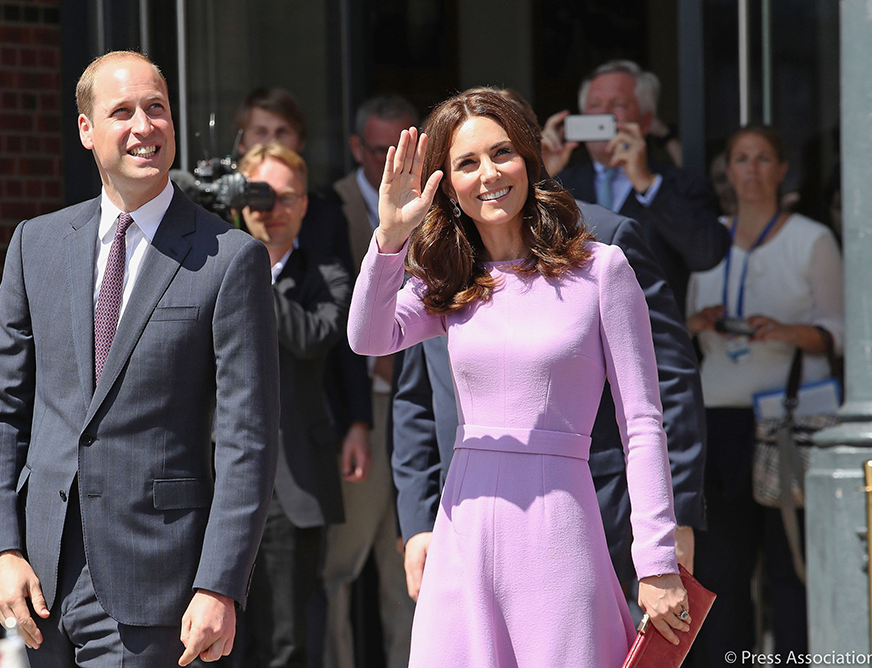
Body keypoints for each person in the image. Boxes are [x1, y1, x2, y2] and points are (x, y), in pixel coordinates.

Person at [348, 89, 688, 666]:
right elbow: (368, 337)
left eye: (502, 152)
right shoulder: (446, 282)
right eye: (466, 163)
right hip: (466, 526)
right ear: (447, 186)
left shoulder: (602, 270)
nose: (489, 174)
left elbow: (642, 422)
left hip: (562, 530)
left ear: (530, 159)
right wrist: (389, 239)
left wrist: (656, 559)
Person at [0, 51, 281, 667]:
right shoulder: (36, 243)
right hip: (41, 577)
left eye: (157, 108)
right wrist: (2, 548)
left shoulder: (229, 258)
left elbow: (248, 438)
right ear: (87, 131)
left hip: (158, 579)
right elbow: (0, 408)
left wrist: (220, 581)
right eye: (122, 112)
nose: (144, 126)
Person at [686, 126, 844, 668]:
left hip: (788, 420)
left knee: (789, 565)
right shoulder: (707, 237)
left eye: (763, 159)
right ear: (726, 171)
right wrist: (698, 323)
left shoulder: (811, 239)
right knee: (722, 571)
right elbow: (674, 328)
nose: (751, 170)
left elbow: (838, 334)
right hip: (718, 418)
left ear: (782, 170)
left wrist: (784, 331)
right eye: (740, 159)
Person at [227, 141, 349, 667]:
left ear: (303, 206)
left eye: (285, 198)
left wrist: (249, 268)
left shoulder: (327, 274)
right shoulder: (207, 269)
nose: (271, 210)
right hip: (217, 480)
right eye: (259, 195)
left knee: (287, 639)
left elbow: (312, 337)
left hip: (291, 480)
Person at [326, 94, 419, 668]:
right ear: (358, 147)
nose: (392, 159)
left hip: (419, 411)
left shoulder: (440, 203)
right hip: (362, 413)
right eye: (380, 148)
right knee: (339, 566)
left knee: (408, 569)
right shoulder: (328, 208)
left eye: (401, 147)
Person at [541, 59, 729, 310]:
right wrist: (541, 174)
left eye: (618, 105)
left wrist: (647, 184)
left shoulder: (680, 184)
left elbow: (708, 253)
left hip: (654, 338)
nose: (604, 114)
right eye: (594, 105)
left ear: (646, 121)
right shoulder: (560, 183)